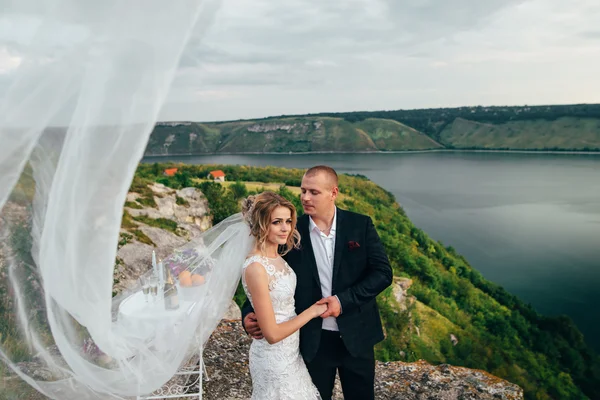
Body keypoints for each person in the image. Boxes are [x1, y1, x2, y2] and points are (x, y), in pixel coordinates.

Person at [242, 165, 393, 400]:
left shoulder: (360, 225)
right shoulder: (290, 230)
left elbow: (383, 273)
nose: (305, 197)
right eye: (303, 191)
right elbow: (265, 273)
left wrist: (343, 301)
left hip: (357, 336)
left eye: (313, 192)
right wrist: (247, 313)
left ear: (333, 193)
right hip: (312, 341)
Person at [240, 191, 325, 399]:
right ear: (261, 225)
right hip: (272, 359)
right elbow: (272, 334)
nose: (285, 228)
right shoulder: (256, 267)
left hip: (292, 355)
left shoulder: (279, 256)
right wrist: (312, 311)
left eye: (288, 221)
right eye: (276, 222)